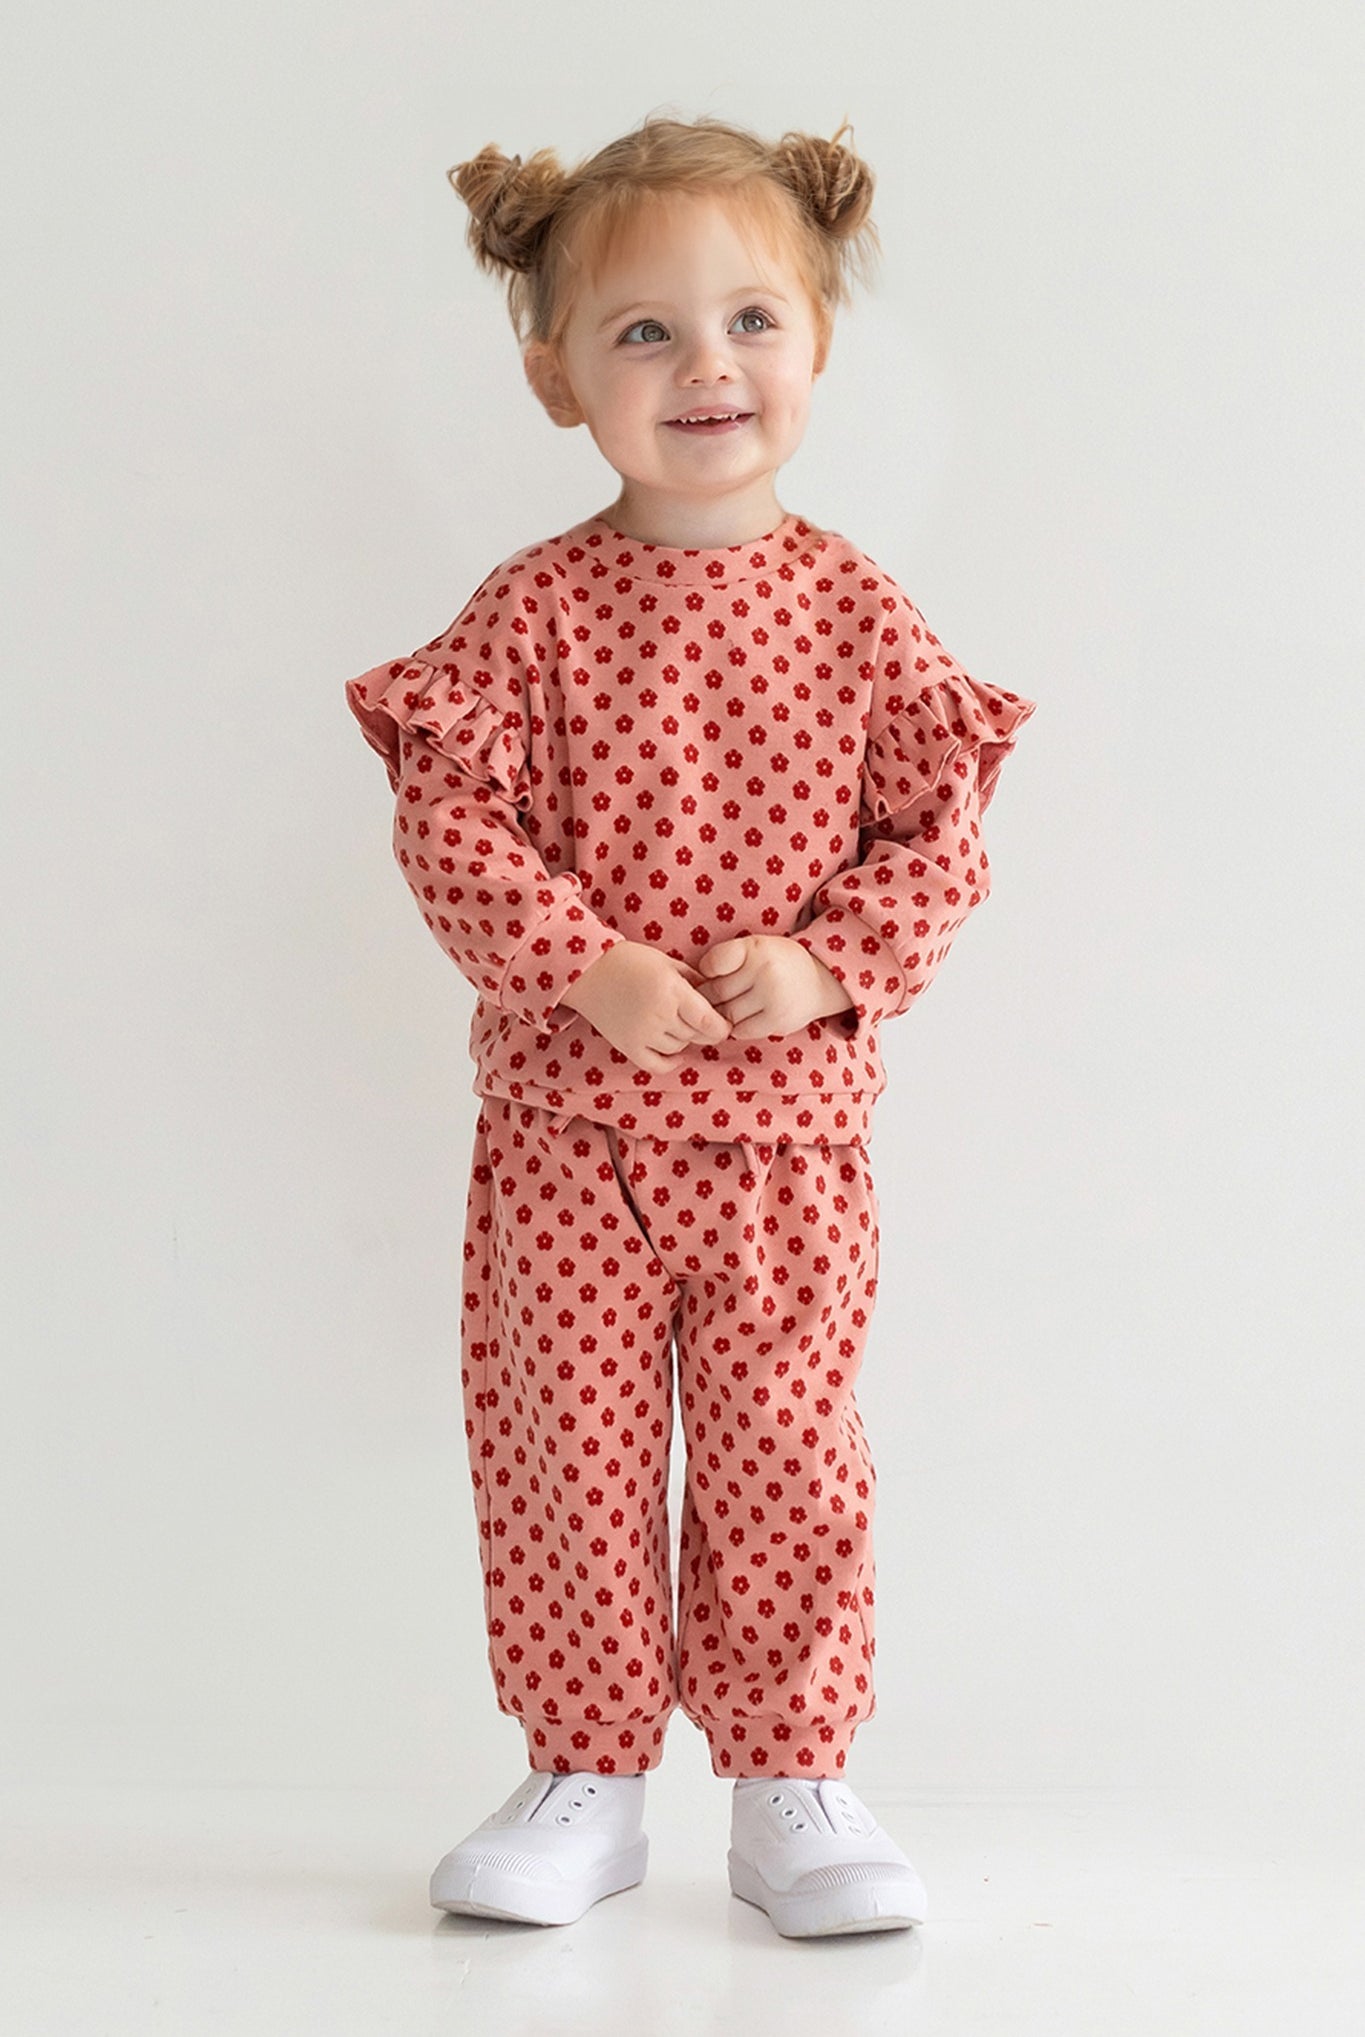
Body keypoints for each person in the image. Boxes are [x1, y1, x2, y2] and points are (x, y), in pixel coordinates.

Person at [343, 111, 1037, 1939]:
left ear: (813, 349)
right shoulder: (534, 611)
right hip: (568, 1144)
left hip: (788, 1152)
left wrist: (822, 966)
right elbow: (448, 816)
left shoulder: (857, 614)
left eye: (747, 322)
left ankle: (788, 1781)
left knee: (783, 1454)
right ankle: (582, 1775)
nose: (702, 366)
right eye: (641, 332)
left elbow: (939, 842)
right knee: (563, 1453)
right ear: (555, 375)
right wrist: (582, 960)